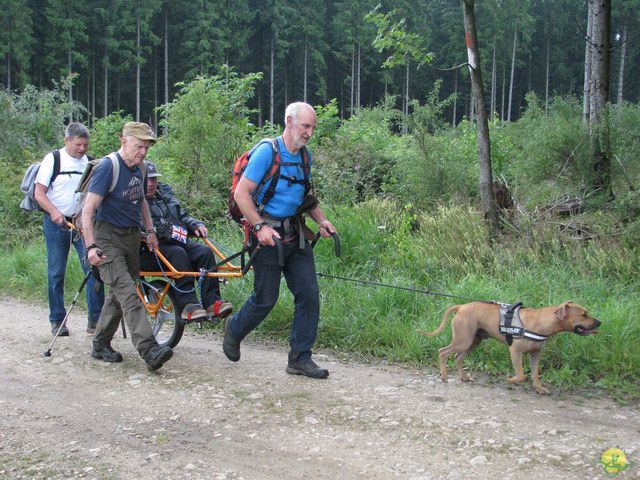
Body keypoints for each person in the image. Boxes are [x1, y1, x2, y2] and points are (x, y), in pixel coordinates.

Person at [223, 101, 337, 379]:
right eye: (305, 126)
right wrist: (260, 226)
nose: (309, 132)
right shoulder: (267, 152)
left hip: (294, 235)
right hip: (265, 237)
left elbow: (304, 198)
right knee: (266, 299)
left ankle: (300, 358)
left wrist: (321, 220)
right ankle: (234, 330)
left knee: (309, 295)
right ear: (288, 122)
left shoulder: (304, 157)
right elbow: (241, 194)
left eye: (312, 127)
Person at [82, 122, 173, 371]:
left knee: (118, 294)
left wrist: (150, 231)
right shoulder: (107, 168)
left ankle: (100, 344)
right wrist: (91, 246)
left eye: (146, 147)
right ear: (124, 141)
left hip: (132, 237)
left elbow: (141, 200)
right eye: (138, 146)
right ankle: (149, 349)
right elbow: (88, 210)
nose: (143, 152)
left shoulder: (140, 168)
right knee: (129, 294)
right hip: (107, 237)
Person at [34, 122, 105, 336]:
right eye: (78, 144)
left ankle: (96, 321)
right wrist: (54, 212)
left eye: (85, 144)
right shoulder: (53, 160)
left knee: (94, 269)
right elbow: (39, 193)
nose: (82, 149)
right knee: (57, 272)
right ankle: (57, 320)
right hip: (56, 224)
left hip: (83, 225)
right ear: (67, 141)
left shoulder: (90, 163)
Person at [139, 161, 232, 321]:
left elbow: (181, 215)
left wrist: (194, 224)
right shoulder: (133, 198)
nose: (151, 183)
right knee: (178, 253)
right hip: (147, 251)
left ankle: (212, 303)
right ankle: (188, 305)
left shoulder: (164, 194)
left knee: (204, 252)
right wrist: (161, 230)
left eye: (153, 179)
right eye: (147, 179)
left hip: (174, 242)